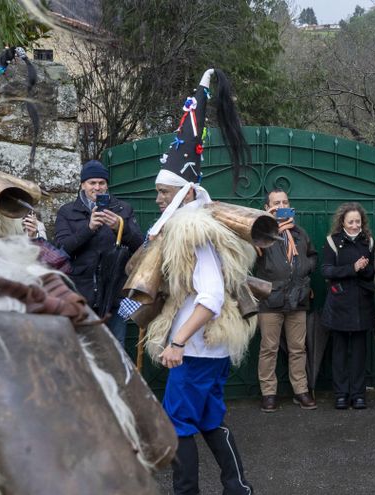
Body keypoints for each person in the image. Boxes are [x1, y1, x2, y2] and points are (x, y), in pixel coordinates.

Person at [142, 67, 254, 495]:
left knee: (179, 424)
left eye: (163, 193)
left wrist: (176, 342)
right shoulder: (190, 224)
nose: (158, 199)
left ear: (186, 193)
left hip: (196, 349)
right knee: (209, 420)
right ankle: (237, 487)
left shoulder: (194, 230)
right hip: (209, 349)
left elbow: (209, 296)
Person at [54, 160, 142, 345]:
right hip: (80, 295)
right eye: (92, 183)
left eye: (102, 183)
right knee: (80, 348)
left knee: (115, 348)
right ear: (82, 185)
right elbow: (61, 250)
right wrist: (89, 228)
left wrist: (121, 228)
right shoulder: (67, 211)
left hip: (113, 295)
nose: (97, 187)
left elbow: (140, 248)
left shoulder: (123, 209)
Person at [254, 188, 318, 412]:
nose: (281, 206)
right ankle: (268, 393)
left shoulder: (300, 233)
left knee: (298, 348)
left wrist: (305, 270)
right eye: (276, 203)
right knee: (269, 348)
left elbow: (312, 256)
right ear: (267, 207)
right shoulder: (261, 234)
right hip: (271, 300)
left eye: (284, 202)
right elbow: (251, 256)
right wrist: (268, 228)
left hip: (297, 299)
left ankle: (300, 390)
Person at [321, 202, 375, 410]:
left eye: (358, 222)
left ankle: (358, 394)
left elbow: (373, 273)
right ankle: (341, 394)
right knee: (340, 352)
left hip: (362, 304)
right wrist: (352, 268)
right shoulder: (332, 242)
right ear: (342, 222)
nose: (354, 225)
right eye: (350, 221)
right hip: (339, 303)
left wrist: (364, 268)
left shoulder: (369, 242)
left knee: (360, 353)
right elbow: (326, 271)